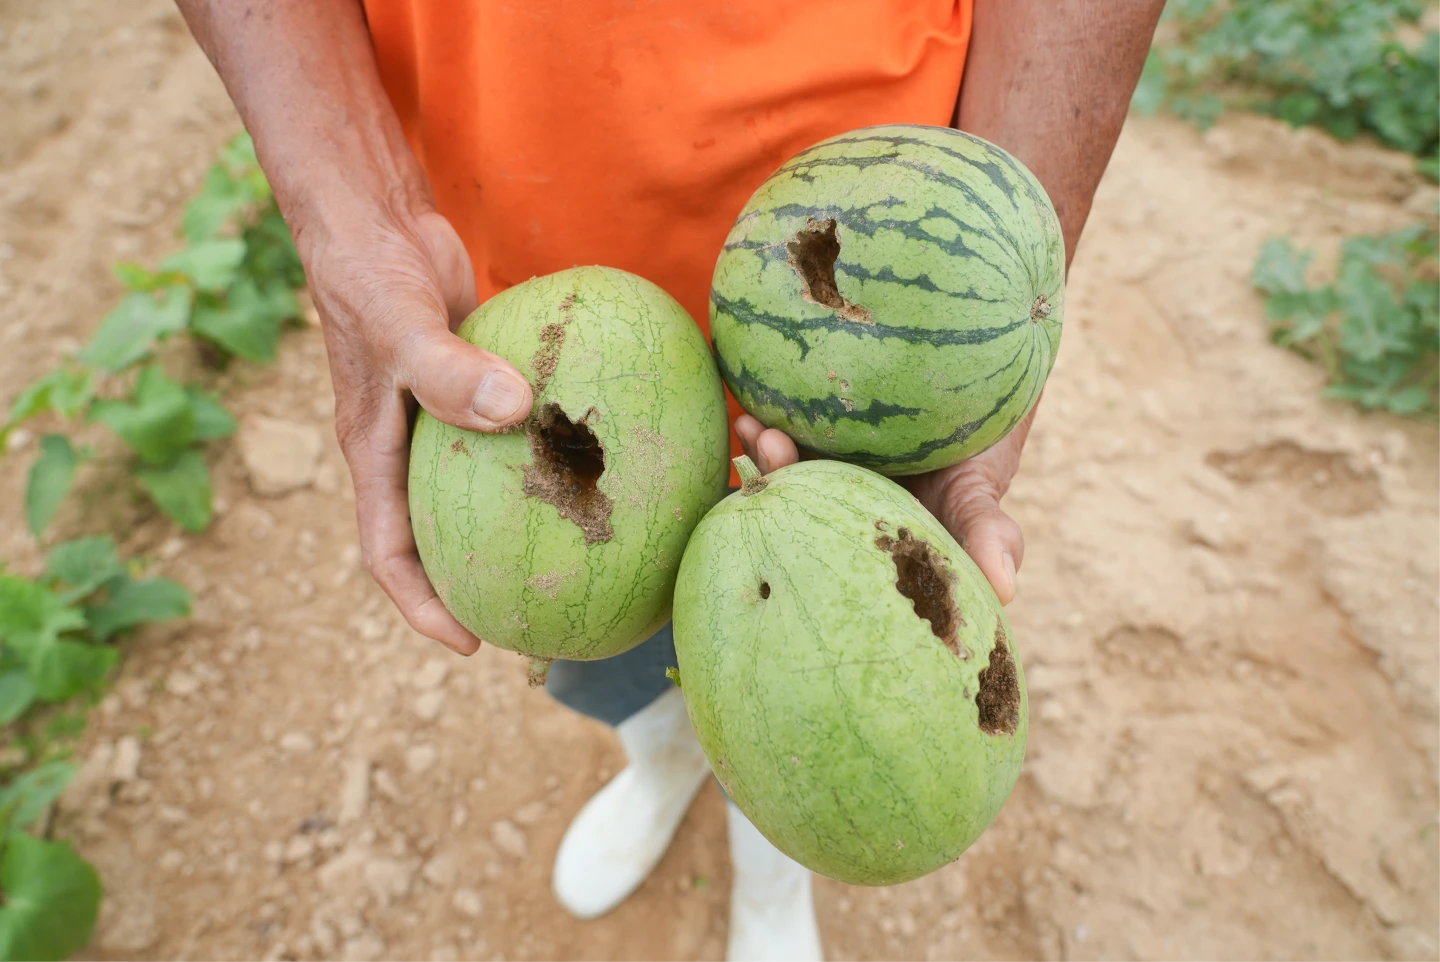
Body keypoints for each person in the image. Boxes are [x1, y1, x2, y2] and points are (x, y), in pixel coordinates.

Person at [175, 1, 1164, 958]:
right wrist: (357, 208)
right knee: (586, 636)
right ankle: (663, 757)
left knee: (813, 666)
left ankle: (772, 867)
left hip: (845, 338)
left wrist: (979, 306)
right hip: (509, 263)